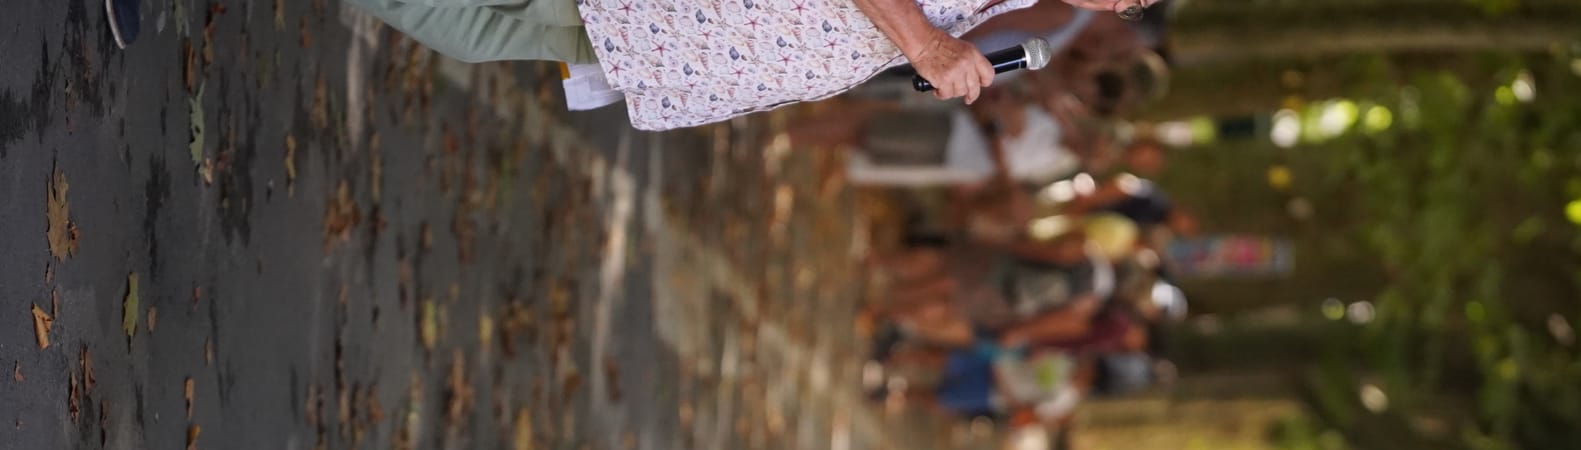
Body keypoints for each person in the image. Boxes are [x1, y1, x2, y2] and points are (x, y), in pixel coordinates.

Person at [339, 0, 1161, 133]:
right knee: (487, 16)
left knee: (476, 30)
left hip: (685, 46)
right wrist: (927, 45)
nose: (1118, 3)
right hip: (680, 13)